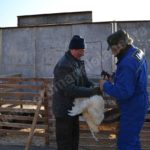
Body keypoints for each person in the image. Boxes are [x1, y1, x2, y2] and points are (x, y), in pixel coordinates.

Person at [99, 30, 149, 150]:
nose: (112, 52)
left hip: (132, 107)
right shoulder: (137, 52)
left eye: (113, 48)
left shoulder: (127, 63)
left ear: (121, 44)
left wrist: (105, 85)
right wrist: (114, 77)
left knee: (126, 143)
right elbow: (132, 77)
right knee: (133, 139)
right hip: (140, 101)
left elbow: (124, 92)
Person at [53, 35, 101, 150]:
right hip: (64, 111)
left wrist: (95, 86)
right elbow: (69, 90)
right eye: (81, 50)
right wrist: (92, 91)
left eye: (84, 50)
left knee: (74, 140)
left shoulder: (77, 62)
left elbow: (85, 81)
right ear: (73, 49)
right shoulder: (64, 65)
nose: (83, 53)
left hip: (73, 109)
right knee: (65, 143)